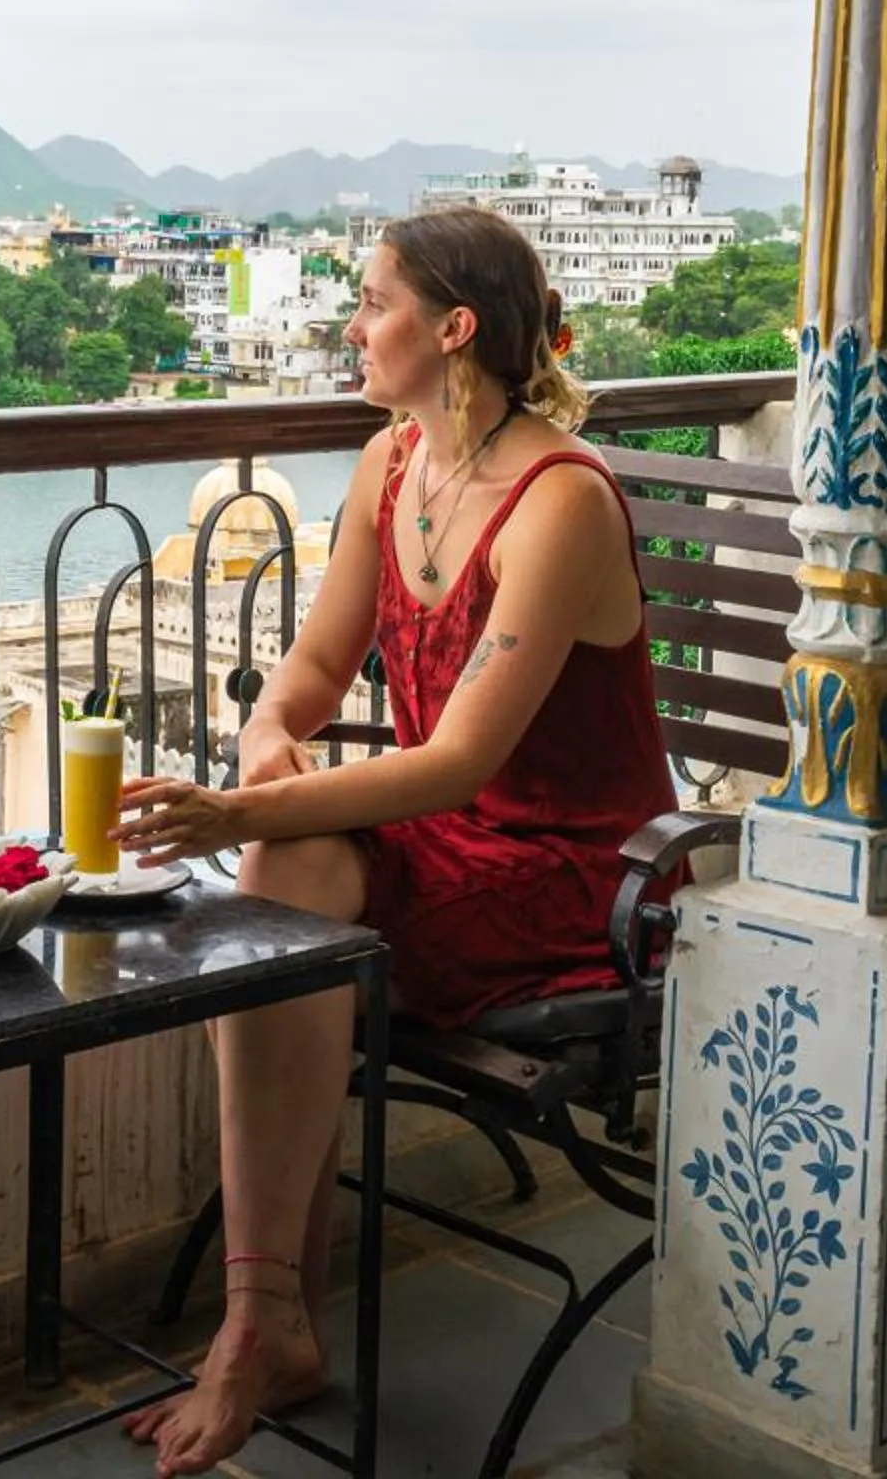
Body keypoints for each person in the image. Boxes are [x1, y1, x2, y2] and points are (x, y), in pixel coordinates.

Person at [111, 208, 678, 1478]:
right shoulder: (390, 465)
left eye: (372, 303)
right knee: (285, 876)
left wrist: (233, 810)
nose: (353, 326)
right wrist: (266, 741)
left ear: (453, 328)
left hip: (575, 874)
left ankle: (261, 1325)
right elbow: (313, 668)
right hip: (450, 844)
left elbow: (464, 759)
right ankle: (274, 1316)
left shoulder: (559, 500)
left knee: (273, 875)